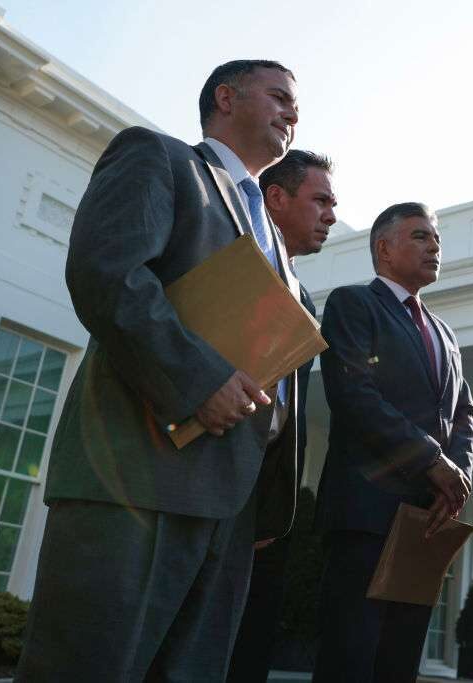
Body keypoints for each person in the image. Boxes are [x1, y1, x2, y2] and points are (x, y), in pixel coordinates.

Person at [15, 60, 303, 681]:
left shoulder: (276, 238)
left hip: (231, 507)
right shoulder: (160, 159)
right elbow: (108, 274)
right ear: (226, 98)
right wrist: (201, 381)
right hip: (134, 479)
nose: (293, 111)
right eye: (278, 95)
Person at [312, 202, 473, 683]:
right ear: (384, 248)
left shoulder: (445, 332)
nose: (434, 245)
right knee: (351, 657)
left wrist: (455, 476)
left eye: (437, 238)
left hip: (424, 521)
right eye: (421, 236)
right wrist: (430, 460)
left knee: (399, 663)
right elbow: (353, 394)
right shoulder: (352, 303)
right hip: (366, 515)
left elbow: (464, 413)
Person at [227, 149, 337, 682]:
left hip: (261, 511)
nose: (332, 216)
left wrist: (272, 506)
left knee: (247, 648)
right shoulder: (229, 256)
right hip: (203, 479)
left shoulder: (306, 301)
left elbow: (285, 420)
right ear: (276, 197)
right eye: (320, 200)